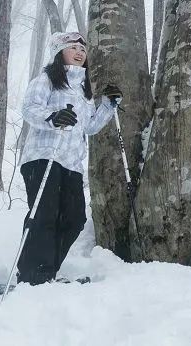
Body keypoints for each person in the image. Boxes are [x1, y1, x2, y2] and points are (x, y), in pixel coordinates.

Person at [17, 30, 123, 285]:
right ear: (58, 52)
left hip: (71, 163)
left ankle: (47, 271)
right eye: (72, 47)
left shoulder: (83, 92)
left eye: (82, 50)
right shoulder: (47, 80)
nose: (79, 52)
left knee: (74, 219)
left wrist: (108, 105)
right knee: (45, 215)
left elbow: (90, 127)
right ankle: (33, 274)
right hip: (44, 156)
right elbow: (29, 108)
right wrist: (52, 117)